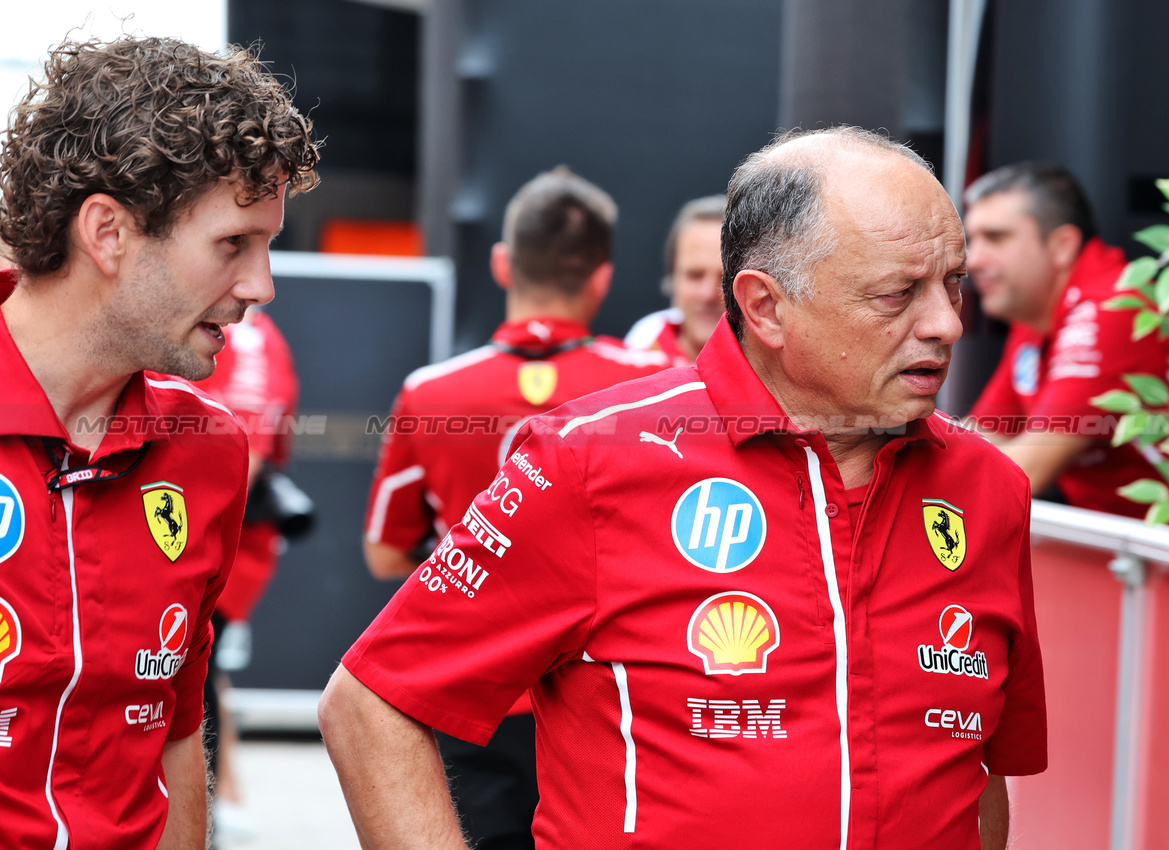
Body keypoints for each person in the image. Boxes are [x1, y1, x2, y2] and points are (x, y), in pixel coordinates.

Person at [320, 127, 1046, 850]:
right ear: (765, 307)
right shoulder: (589, 460)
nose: (946, 323)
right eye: (898, 293)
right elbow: (372, 704)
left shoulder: (988, 489)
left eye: (953, 282)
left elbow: (975, 772)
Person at [0, 36, 318, 849]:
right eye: (233, 244)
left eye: (267, 246)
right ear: (107, 232)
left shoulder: (209, 449)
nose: (260, 287)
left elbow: (174, 731)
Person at [361, 166, 667, 849]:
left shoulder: (429, 392)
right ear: (601, 277)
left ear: (502, 264)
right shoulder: (654, 391)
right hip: (611, 693)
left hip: (479, 692)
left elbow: (384, 555)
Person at [964, 163, 1169, 517]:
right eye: (973, 240)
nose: (974, 260)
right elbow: (976, 437)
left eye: (996, 238)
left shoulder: (1113, 307)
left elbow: (1023, 473)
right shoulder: (1038, 315)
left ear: (1062, 246)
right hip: (1138, 548)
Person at [194, 306, 301, 838]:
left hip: (219, 537)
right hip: (195, 531)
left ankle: (209, 807)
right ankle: (228, 790)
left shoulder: (249, 334)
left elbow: (243, 451)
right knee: (202, 667)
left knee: (191, 667)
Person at [624, 195, 726, 365]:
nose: (707, 294)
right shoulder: (640, 350)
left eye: (725, 279)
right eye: (695, 275)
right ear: (672, 278)